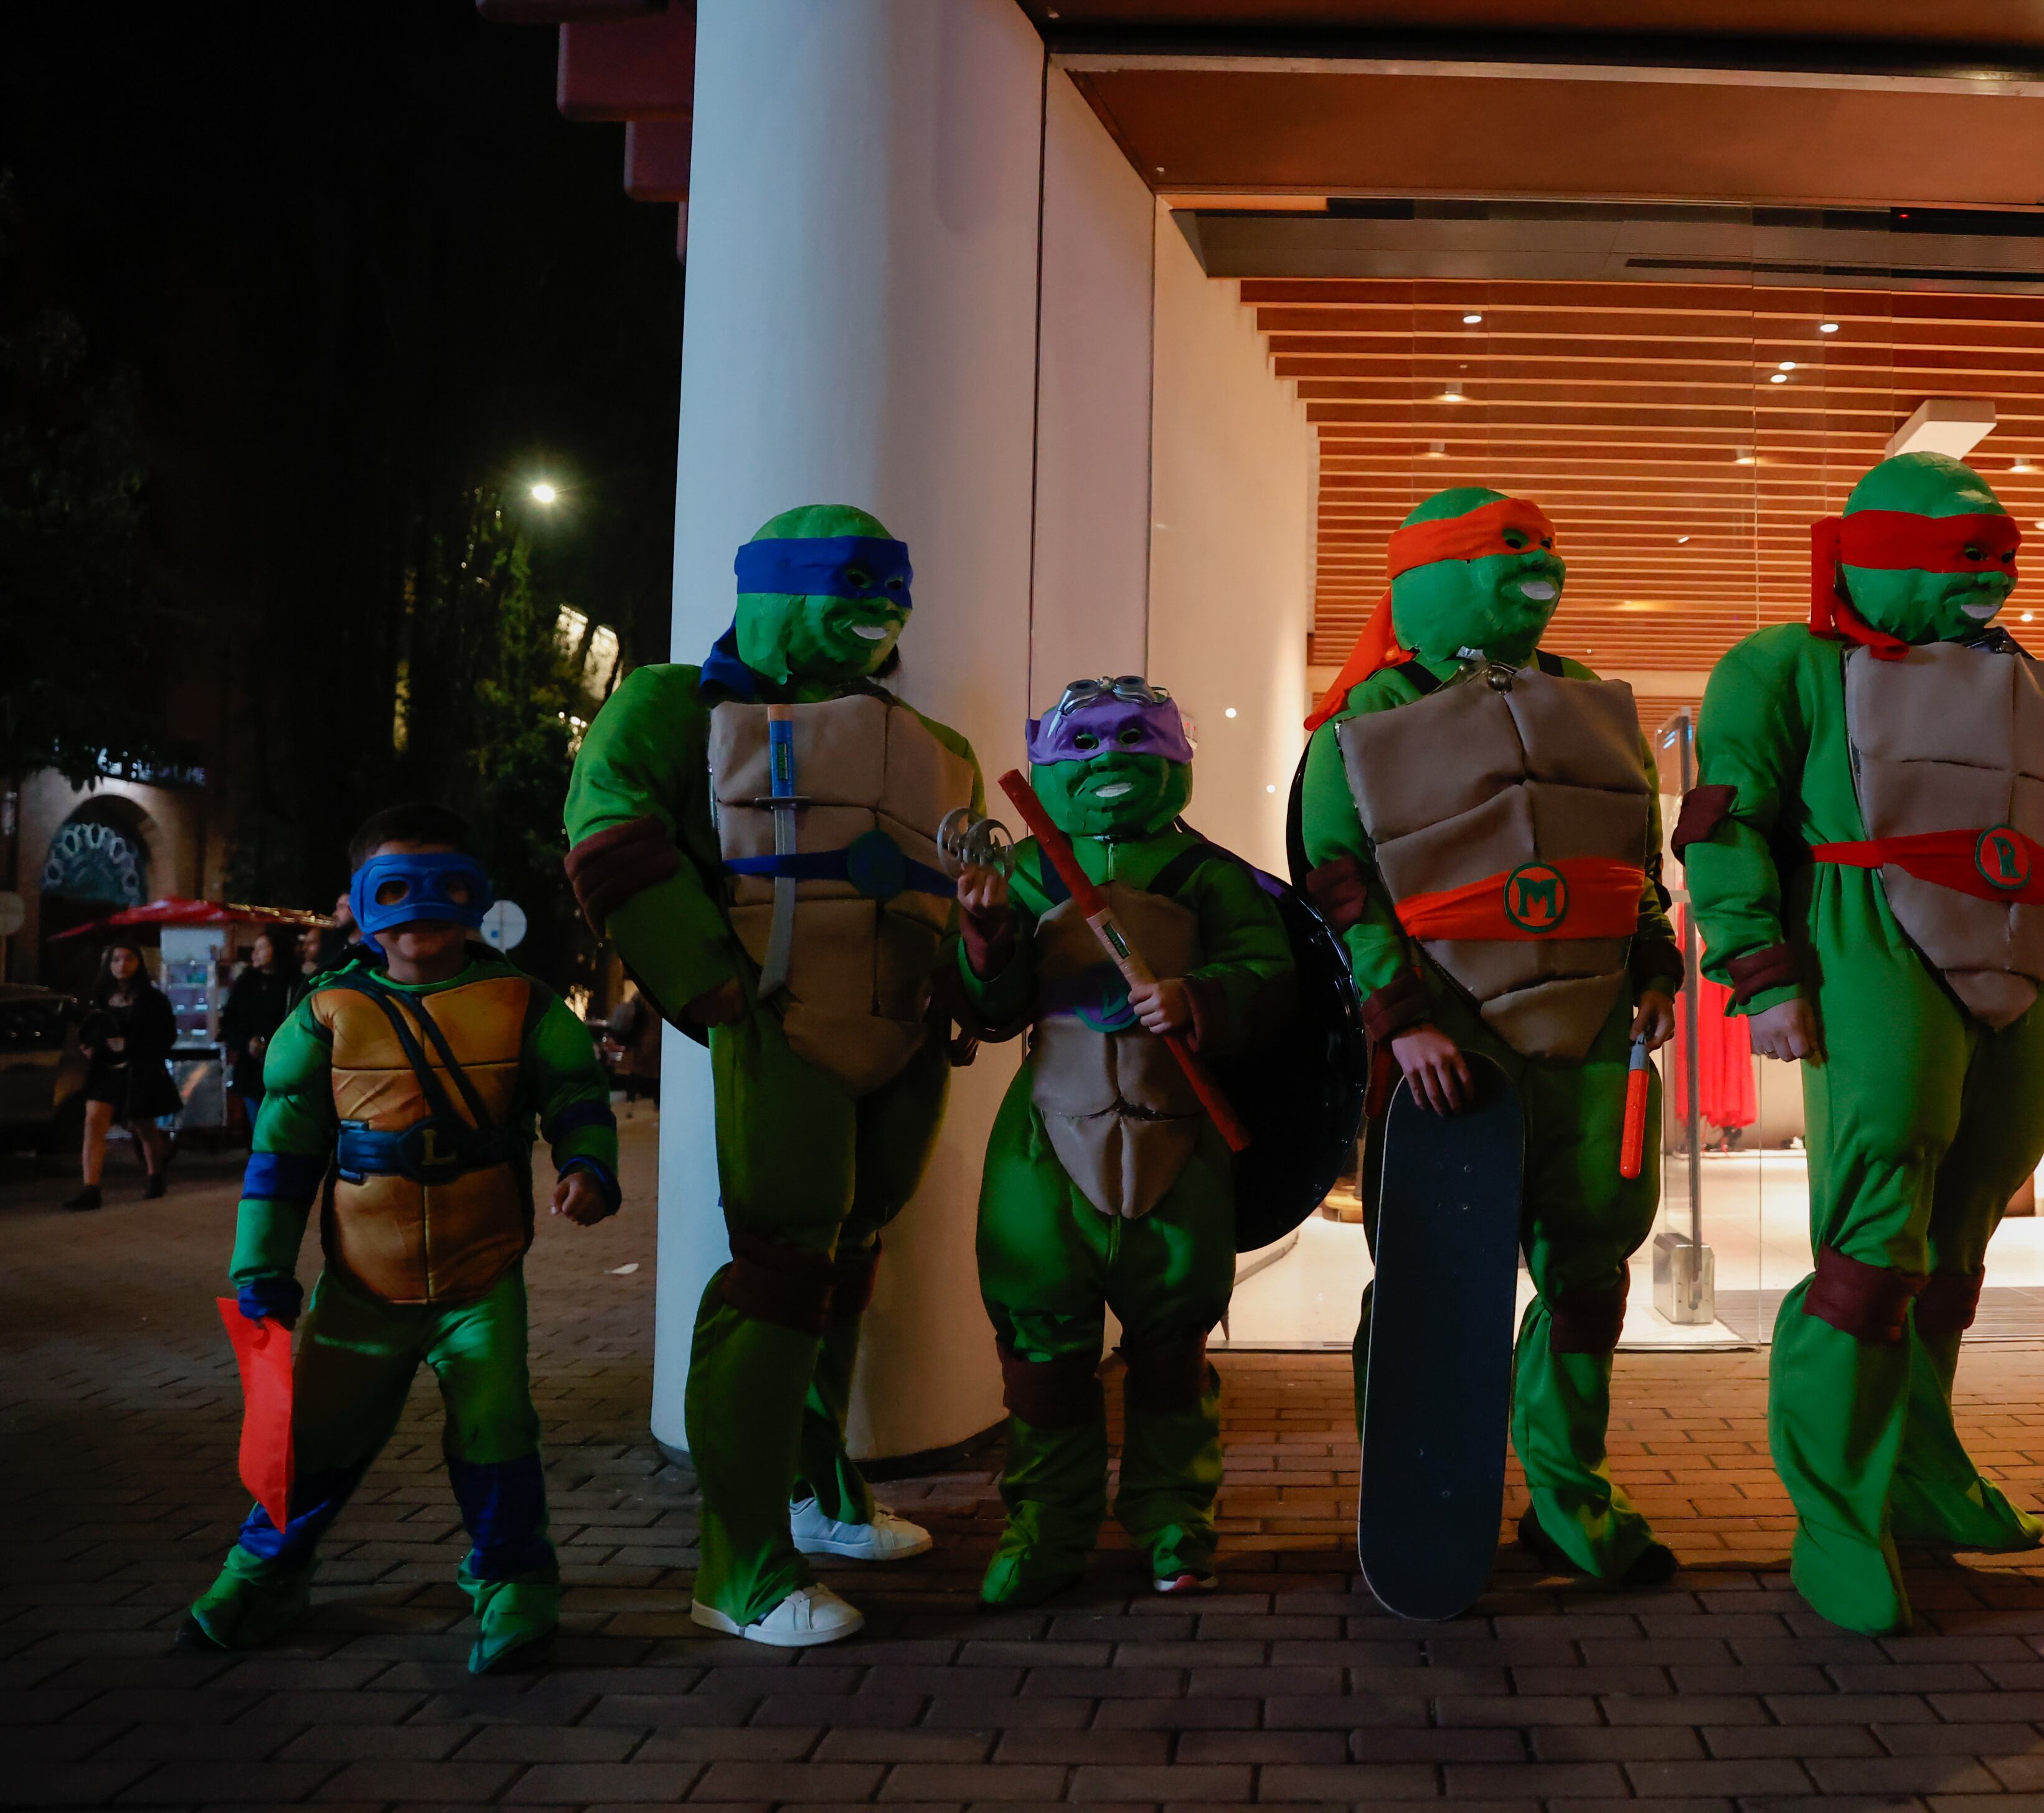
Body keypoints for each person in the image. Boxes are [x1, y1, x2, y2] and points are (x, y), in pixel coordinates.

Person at [1681, 451, 2044, 1635]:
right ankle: (1833, 1508)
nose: (1990, 582)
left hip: (2014, 955)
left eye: (1999, 559)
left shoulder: (2030, 684)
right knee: (1874, 1227)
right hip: (1866, 934)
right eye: (1963, 559)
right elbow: (1726, 816)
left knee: (1965, 1222)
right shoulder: (1781, 665)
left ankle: (1917, 1459)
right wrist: (1758, 967)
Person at [565, 504, 972, 1647]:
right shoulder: (668, 706)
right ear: (780, 586)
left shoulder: (934, 745)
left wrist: (965, 980)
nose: (878, 610)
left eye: (890, 591)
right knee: (783, 1272)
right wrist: (719, 993)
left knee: (844, 1266)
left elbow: (957, 877)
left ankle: (817, 1490)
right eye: (847, 586)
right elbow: (612, 842)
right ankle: (739, 1564)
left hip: (900, 1030)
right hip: (780, 1027)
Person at [1295, 486, 1684, 1588]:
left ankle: (1569, 1495)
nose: (1534, 560)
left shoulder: (1593, 707)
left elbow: (1633, 863)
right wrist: (1402, 1020)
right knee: (1432, 1276)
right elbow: (1340, 884)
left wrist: (1654, 965)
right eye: (1503, 546)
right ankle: (1413, 1492)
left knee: (1588, 1273)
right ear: (1432, 569)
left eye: (1543, 543)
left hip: (1594, 1032)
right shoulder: (1362, 725)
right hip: (1449, 1030)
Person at [178, 803, 621, 1673]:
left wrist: (589, 1166)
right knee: (311, 1444)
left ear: (475, 896)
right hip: (361, 1288)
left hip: (482, 1277)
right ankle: (262, 1573)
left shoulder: (520, 1006)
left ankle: (515, 1583)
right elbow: (279, 1157)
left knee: (498, 1432)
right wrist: (261, 1268)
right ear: (361, 901)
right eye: (396, 889)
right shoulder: (328, 1016)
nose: (421, 911)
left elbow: (577, 1095)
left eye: (445, 887)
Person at [954, 677, 1294, 1604]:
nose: (1109, 758)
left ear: (1177, 758)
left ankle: (1175, 1521)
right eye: (1088, 743)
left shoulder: (1211, 877)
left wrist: (1199, 998)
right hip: (1046, 1150)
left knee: (1172, 1356)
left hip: (1180, 1143)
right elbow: (991, 1013)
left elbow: (1272, 981)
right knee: (1043, 1362)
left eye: (1135, 739)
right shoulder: (1026, 873)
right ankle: (1046, 1530)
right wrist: (986, 938)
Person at [64, 941, 181, 1210]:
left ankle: (155, 1176)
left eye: (128, 959)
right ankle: (91, 1188)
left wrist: (131, 1045)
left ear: (138, 963)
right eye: (116, 960)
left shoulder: (153, 999)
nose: (121, 965)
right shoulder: (99, 997)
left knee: (144, 1126)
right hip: (104, 1071)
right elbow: (87, 1027)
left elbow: (166, 1036)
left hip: (138, 1071)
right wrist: (88, 1046)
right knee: (93, 1123)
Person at [220, 926, 306, 1132]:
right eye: (255, 948)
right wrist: (247, 1041)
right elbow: (229, 1023)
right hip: (252, 1070)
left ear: (278, 950)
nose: (255, 953)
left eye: (263, 948)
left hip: (287, 1069)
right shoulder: (246, 983)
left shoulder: (297, 984)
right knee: (261, 1131)